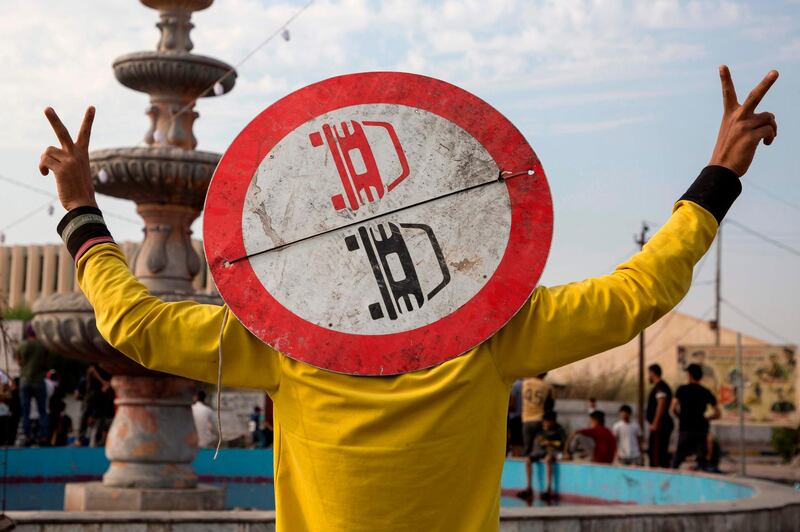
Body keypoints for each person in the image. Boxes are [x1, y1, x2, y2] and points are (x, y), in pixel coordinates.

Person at [37, 65, 779, 531]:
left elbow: (132, 321)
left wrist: (81, 208)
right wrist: (718, 176)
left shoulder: (282, 347)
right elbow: (640, 291)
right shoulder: (492, 338)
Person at [671, 363, 721, 470]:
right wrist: (707, 418)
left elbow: (673, 408)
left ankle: (672, 478)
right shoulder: (706, 392)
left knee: (678, 458)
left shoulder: (682, 389)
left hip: (685, 428)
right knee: (701, 459)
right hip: (701, 429)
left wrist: (681, 416)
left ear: (689, 375)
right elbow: (718, 413)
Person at [518, 410, 566, 501]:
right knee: (528, 460)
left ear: (553, 421)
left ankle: (548, 488)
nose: (546, 423)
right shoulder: (541, 430)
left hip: (553, 451)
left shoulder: (559, 430)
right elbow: (538, 441)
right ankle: (529, 487)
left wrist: (550, 442)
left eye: (547, 421)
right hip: (542, 451)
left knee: (548, 460)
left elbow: (562, 443)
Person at [16, 325, 50, 446]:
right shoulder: (43, 346)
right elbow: (46, 364)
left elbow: (19, 361)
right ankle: (44, 437)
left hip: (25, 380)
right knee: (42, 410)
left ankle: (27, 436)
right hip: (39, 381)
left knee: (26, 411)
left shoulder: (22, 345)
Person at [520, 373, 554, 460]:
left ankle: (526, 465)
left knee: (527, 447)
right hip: (539, 418)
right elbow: (550, 405)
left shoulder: (525, 382)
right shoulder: (547, 386)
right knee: (539, 446)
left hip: (526, 418)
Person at [646, 363, 674, 468]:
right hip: (660, 425)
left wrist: (655, 423)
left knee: (657, 455)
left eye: (649, 373)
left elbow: (661, 403)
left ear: (653, 373)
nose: (648, 376)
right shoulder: (661, 386)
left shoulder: (660, 386)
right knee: (657, 453)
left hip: (660, 426)